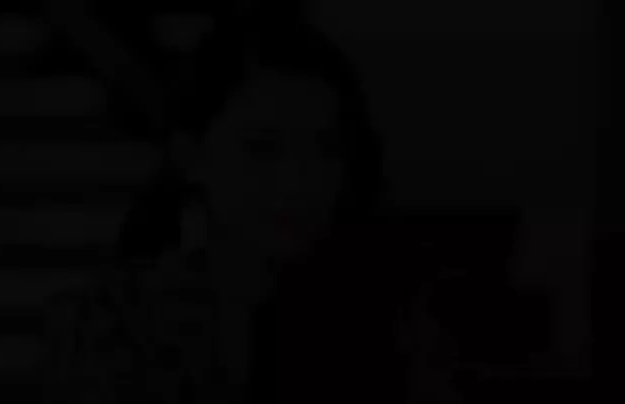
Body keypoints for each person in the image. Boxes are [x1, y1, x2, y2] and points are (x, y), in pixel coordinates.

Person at [43, 10, 461, 404]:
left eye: (325, 150)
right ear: (192, 157)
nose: (297, 182)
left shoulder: (393, 327)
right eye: (262, 149)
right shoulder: (112, 327)